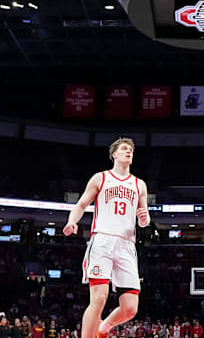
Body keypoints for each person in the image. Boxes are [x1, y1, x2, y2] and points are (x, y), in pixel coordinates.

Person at [63, 137, 151, 338]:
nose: (129, 151)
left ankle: (104, 328)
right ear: (114, 154)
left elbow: (143, 220)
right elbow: (81, 204)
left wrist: (145, 219)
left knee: (130, 308)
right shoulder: (100, 178)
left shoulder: (140, 184)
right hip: (102, 241)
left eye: (131, 149)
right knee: (99, 298)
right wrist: (72, 221)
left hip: (127, 245)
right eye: (124, 149)